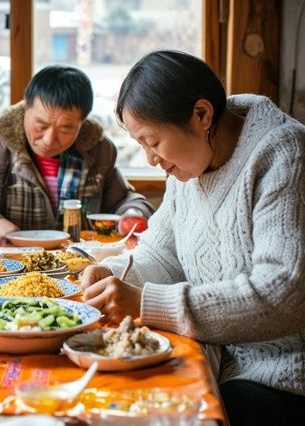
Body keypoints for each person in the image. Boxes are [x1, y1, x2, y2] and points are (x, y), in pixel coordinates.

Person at [79, 50, 305, 425]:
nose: (151, 159)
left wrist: (147, 302)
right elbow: (161, 255)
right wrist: (113, 274)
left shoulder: (285, 154)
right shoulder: (189, 166)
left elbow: (285, 292)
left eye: (153, 142)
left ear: (201, 115)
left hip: (282, 378)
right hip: (217, 361)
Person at [0, 65, 154, 239]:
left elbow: (125, 199)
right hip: (3, 267)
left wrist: (132, 213)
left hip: (75, 266)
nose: (49, 140)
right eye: (41, 125)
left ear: (82, 122)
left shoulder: (98, 150)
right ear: (24, 107)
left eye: (65, 128)